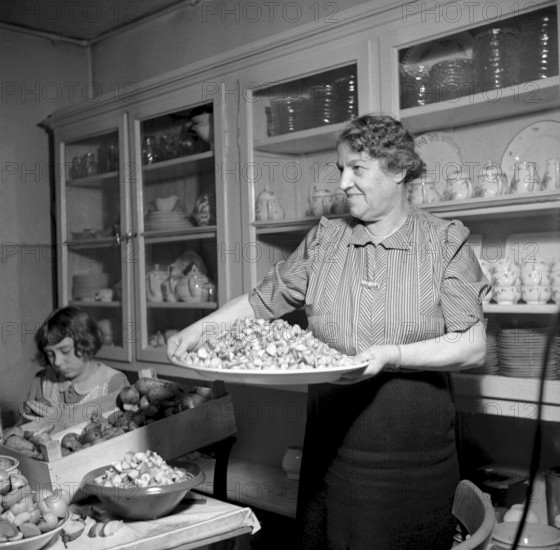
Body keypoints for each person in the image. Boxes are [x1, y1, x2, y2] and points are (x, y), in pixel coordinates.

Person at [167, 114, 489, 550]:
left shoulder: (444, 242)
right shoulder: (326, 240)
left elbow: (472, 346)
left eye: (358, 168)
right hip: (329, 455)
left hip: (412, 463)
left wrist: (392, 354)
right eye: (341, 169)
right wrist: (197, 329)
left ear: (397, 170)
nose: (343, 183)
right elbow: (263, 300)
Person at [22, 306, 129, 422]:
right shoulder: (41, 381)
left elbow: (123, 429)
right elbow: (27, 427)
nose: (57, 362)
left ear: (86, 344)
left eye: (65, 351)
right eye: (50, 354)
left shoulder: (114, 383)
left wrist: (61, 420)